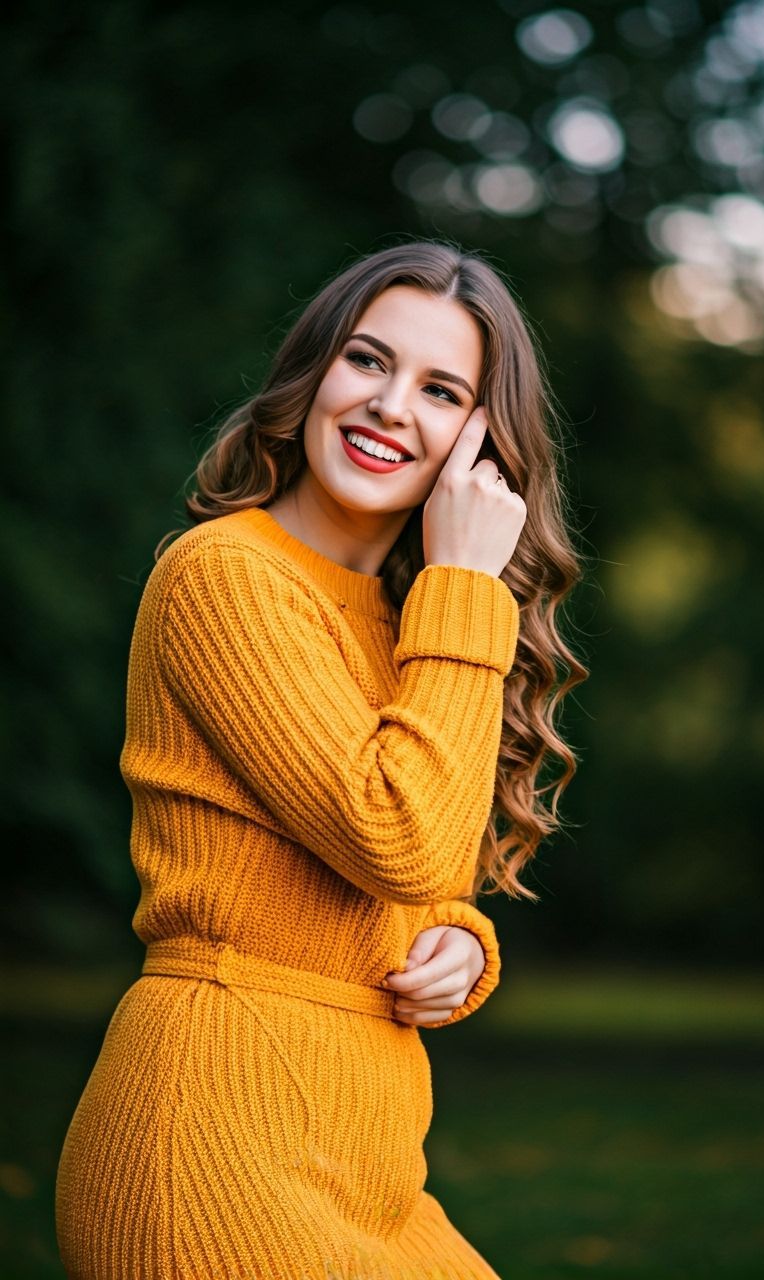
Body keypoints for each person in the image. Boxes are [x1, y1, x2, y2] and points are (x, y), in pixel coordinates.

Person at [55, 240, 587, 1279]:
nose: (392, 405)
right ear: (310, 378)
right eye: (367, 361)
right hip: (212, 1147)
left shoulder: (414, 618)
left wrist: (460, 942)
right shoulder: (226, 576)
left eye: (441, 390)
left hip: (372, 1166)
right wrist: (469, 584)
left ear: (480, 447)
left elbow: (403, 868)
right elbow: (393, 832)